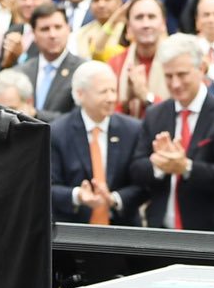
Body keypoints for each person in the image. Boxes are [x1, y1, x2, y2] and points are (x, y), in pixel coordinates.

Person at [129, 36, 214, 231]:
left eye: (182, 75)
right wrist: (159, 164)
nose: (175, 84)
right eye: (168, 76)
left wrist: (186, 167)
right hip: (161, 229)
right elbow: (136, 168)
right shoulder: (155, 114)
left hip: (210, 232)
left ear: (201, 69)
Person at [49, 61, 148, 225]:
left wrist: (114, 199)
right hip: (74, 232)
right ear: (80, 94)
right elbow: (47, 187)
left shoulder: (133, 130)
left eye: (113, 91)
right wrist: (78, 195)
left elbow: (143, 184)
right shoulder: (57, 132)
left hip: (122, 231)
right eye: (103, 92)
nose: (111, 98)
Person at [16, 4, 79, 120]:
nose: (52, 35)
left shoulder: (82, 70)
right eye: (45, 29)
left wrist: (36, 114)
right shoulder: (21, 71)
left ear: (68, 29)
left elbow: (79, 118)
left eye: (58, 27)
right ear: (34, 34)